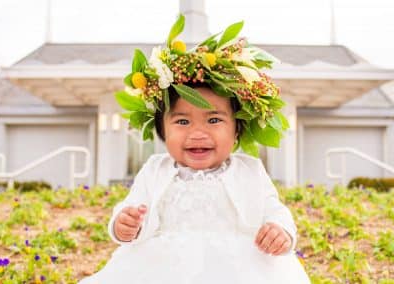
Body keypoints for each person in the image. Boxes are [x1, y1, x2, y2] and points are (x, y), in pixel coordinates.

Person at [79, 14, 310, 284]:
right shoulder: (155, 169)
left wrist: (280, 230)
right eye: (182, 121)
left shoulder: (250, 170)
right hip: (162, 267)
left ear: (236, 129)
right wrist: (123, 224)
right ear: (162, 129)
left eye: (214, 120)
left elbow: (275, 210)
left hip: (239, 268)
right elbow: (130, 206)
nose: (197, 133)